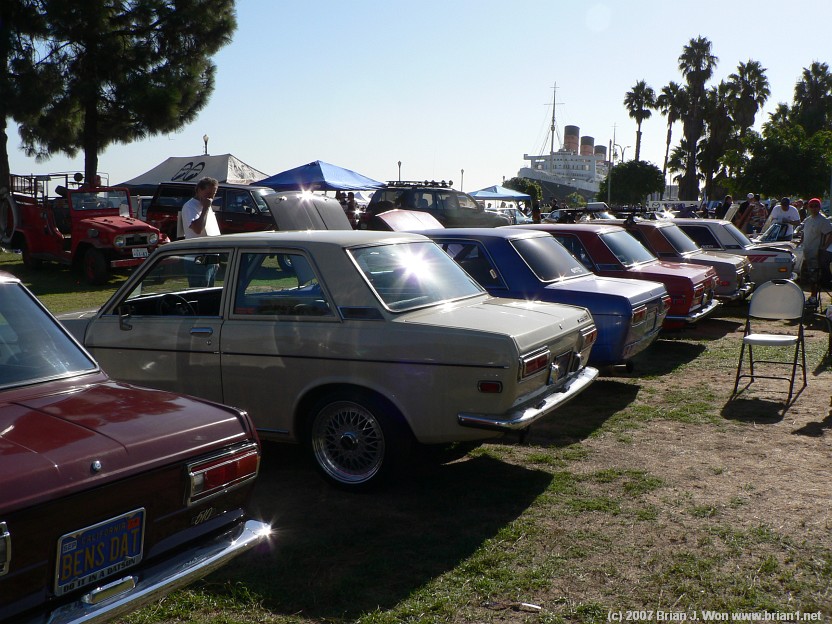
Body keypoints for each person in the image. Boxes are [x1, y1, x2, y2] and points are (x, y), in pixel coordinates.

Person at [180, 177, 220, 286]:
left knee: (210, 292)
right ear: (198, 190)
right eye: (208, 194)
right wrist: (205, 208)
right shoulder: (190, 207)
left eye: (213, 194)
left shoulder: (207, 205)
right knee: (199, 291)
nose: (210, 197)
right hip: (197, 258)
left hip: (211, 257)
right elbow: (198, 229)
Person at [799, 198, 832, 305]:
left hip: (816, 253)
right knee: (806, 278)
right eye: (811, 206)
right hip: (807, 252)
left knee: (815, 277)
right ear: (808, 207)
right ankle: (810, 298)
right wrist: (800, 241)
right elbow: (804, 233)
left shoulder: (823, 220)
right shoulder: (808, 220)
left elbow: (830, 234)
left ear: (819, 207)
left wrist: (824, 247)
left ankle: (814, 298)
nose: (813, 208)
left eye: (816, 206)